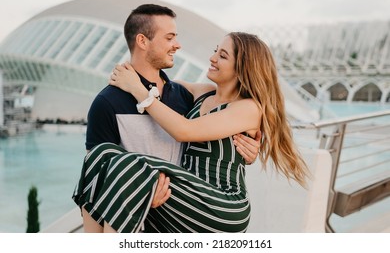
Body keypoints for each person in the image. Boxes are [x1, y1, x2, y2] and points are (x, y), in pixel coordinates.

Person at [72, 31, 309, 233]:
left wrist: (136, 89)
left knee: (127, 167)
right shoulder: (202, 92)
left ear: (243, 69)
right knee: (101, 155)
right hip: (185, 194)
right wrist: (129, 75)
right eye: (216, 51)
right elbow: (159, 83)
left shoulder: (248, 108)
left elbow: (184, 130)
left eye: (223, 55)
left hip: (223, 204)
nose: (212, 58)